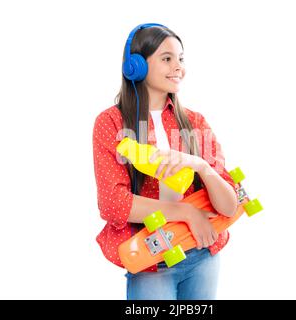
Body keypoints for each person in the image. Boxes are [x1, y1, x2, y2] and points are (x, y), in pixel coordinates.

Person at [92, 23, 238, 300]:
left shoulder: (195, 123)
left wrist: (201, 166)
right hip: (151, 261)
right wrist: (186, 212)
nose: (178, 67)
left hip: (203, 254)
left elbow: (229, 205)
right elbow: (114, 204)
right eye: (167, 58)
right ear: (137, 66)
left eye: (180, 59)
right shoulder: (111, 122)